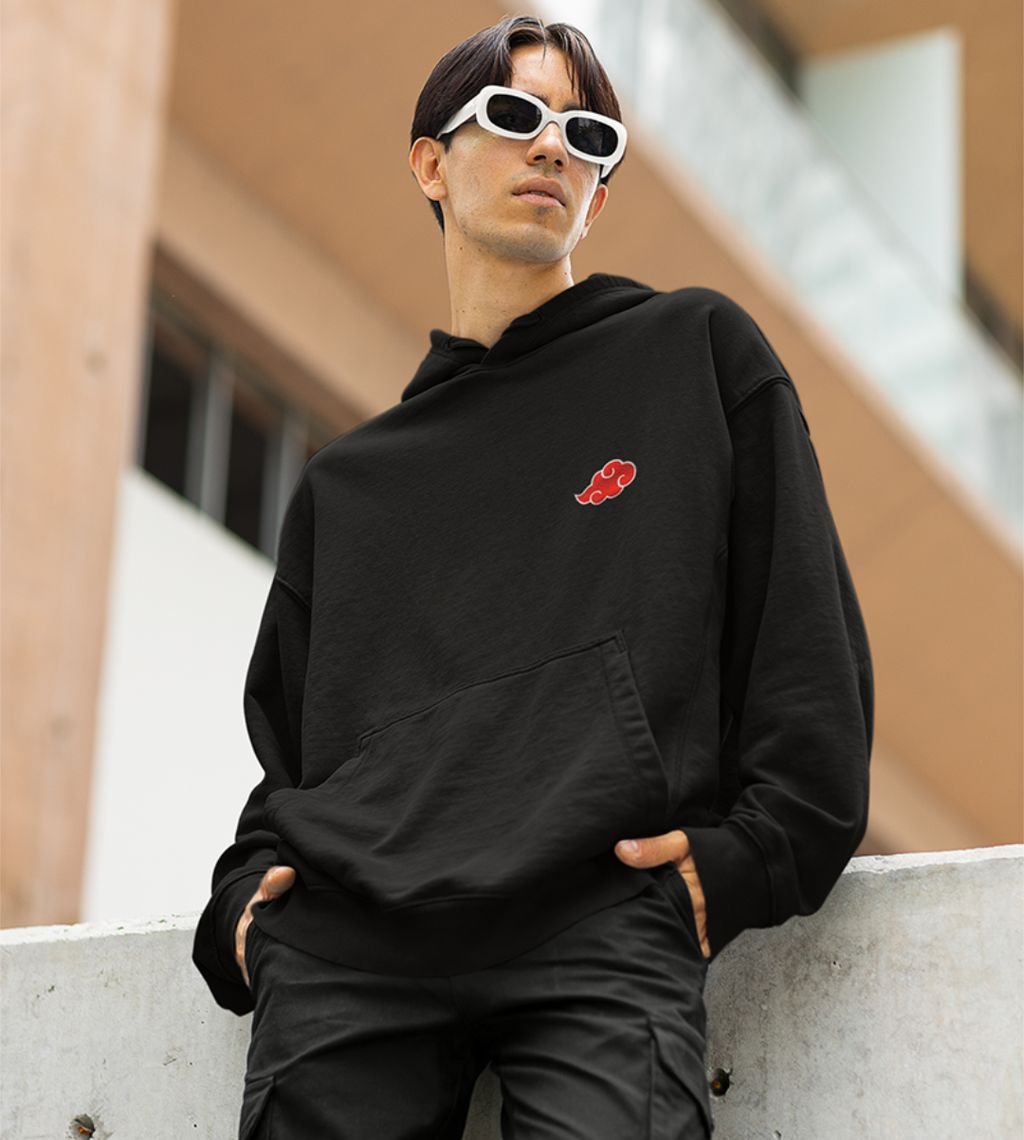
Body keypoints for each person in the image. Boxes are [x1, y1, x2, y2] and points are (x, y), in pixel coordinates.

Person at [191, 14, 873, 1139]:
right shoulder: (351, 487)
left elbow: (803, 645)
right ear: (431, 164)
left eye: (586, 134)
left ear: (596, 195)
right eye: (514, 115)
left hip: (601, 914)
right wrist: (242, 917)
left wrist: (749, 859)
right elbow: (294, 758)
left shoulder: (694, 355)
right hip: (352, 951)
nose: (552, 146)